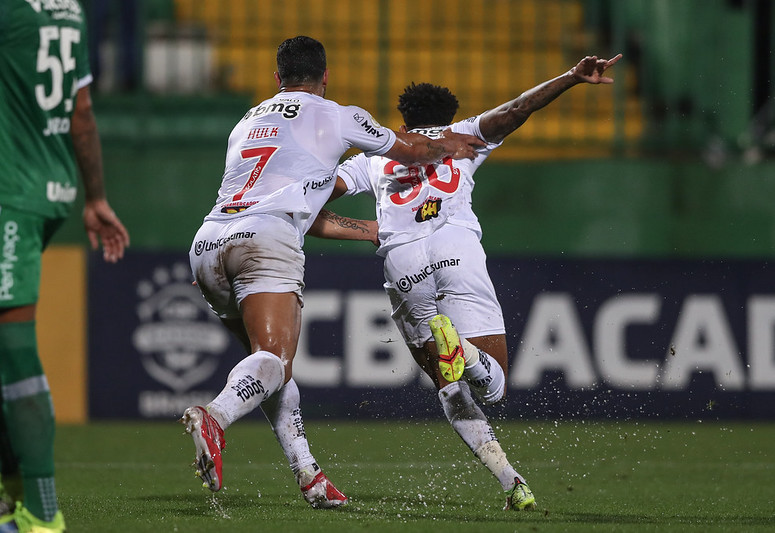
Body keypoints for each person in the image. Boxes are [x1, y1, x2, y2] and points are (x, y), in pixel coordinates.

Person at [182, 35, 485, 509]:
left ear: (277, 78)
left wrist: (367, 230)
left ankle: (310, 477)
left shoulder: (246, 122)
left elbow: (301, 201)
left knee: (267, 368)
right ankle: (215, 417)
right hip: (266, 239)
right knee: (274, 361)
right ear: (325, 77)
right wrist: (450, 144)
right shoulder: (339, 115)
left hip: (208, 243)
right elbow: (409, 151)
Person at [328, 53, 622, 511]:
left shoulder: (375, 154)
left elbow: (322, 191)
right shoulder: (462, 135)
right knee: (494, 385)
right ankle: (464, 354)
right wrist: (570, 77)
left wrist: (365, 228)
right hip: (456, 248)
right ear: (448, 116)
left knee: (448, 386)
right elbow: (518, 109)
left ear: (404, 121)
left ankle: (512, 482)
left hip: (402, 262)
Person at [0, 1, 130, 532]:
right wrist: (95, 196)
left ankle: (42, 514)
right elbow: (81, 111)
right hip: (49, 187)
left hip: (5, 195)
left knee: (13, 346)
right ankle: (13, 485)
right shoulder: (69, 10)